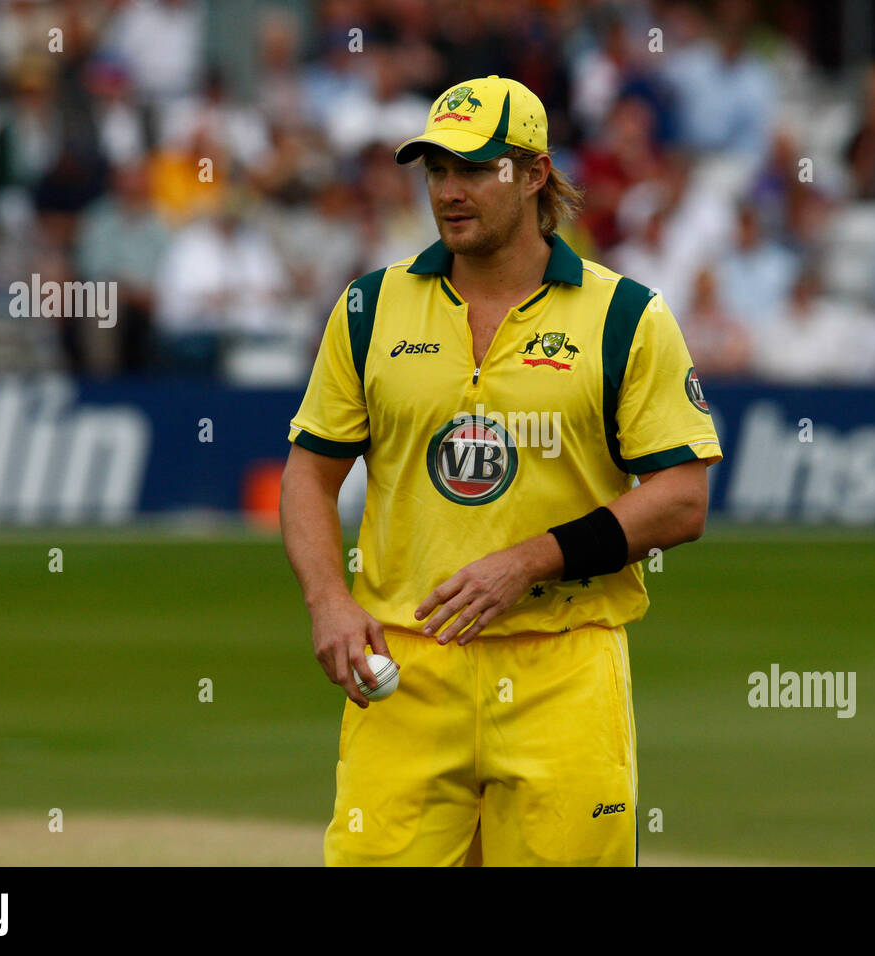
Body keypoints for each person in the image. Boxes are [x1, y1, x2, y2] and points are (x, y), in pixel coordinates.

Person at [280, 76, 721, 867]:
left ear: (535, 173)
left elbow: (683, 499)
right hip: (405, 668)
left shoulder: (626, 316)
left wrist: (530, 561)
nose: (451, 192)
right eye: (436, 172)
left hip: (564, 662)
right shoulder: (369, 307)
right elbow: (309, 477)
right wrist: (329, 604)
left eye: (476, 170)